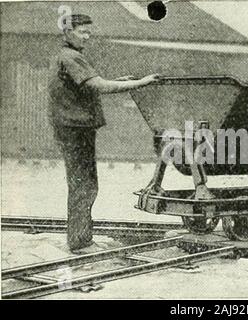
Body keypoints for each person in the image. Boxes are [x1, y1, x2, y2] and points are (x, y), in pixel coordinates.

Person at [48, 14, 160, 253]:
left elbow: (90, 85)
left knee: (83, 184)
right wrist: (141, 82)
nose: (87, 37)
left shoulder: (66, 56)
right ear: (67, 32)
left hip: (74, 128)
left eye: (89, 32)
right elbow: (99, 86)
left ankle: (81, 239)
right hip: (76, 129)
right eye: (82, 32)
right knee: (84, 185)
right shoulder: (71, 57)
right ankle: (80, 242)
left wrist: (120, 80)